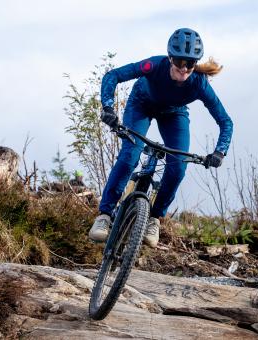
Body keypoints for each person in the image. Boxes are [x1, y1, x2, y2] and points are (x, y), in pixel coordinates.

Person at [89, 28, 233, 248]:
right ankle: (105, 215)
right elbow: (113, 76)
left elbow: (225, 121)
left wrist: (219, 151)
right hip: (141, 104)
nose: (184, 69)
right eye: (179, 62)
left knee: (178, 167)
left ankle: (154, 218)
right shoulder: (153, 65)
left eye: (190, 64)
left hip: (174, 114)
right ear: (170, 57)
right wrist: (107, 107)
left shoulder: (199, 83)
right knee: (130, 156)